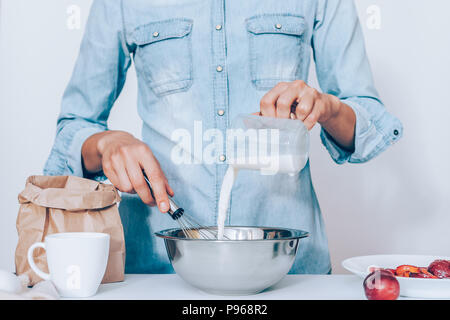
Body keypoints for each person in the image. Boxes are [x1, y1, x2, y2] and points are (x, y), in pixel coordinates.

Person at [44, 0, 402, 274]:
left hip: (290, 271)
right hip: (159, 270)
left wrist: (328, 107)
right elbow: (73, 127)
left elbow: (370, 127)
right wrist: (108, 144)